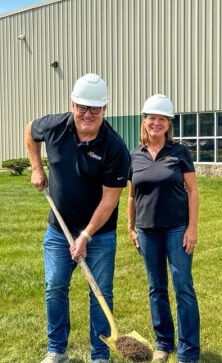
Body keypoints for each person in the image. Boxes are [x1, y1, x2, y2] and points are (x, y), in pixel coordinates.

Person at [24, 73, 130, 363]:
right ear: (73, 104)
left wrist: (86, 235)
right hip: (59, 230)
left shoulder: (115, 148)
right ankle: (57, 350)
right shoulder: (56, 126)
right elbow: (30, 131)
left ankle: (99, 356)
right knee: (55, 286)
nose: (87, 114)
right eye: (82, 107)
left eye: (95, 108)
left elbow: (110, 200)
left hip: (100, 234)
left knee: (101, 294)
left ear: (104, 109)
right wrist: (36, 167)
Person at [127, 94, 200, 363]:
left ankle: (188, 351)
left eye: (161, 119)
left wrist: (192, 229)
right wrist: (131, 228)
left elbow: (192, 191)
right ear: (144, 122)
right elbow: (132, 196)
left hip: (177, 230)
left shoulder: (180, 153)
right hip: (147, 231)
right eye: (151, 118)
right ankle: (163, 343)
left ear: (169, 124)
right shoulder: (134, 155)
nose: (155, 123)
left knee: (183, 288)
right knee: (156, 288)